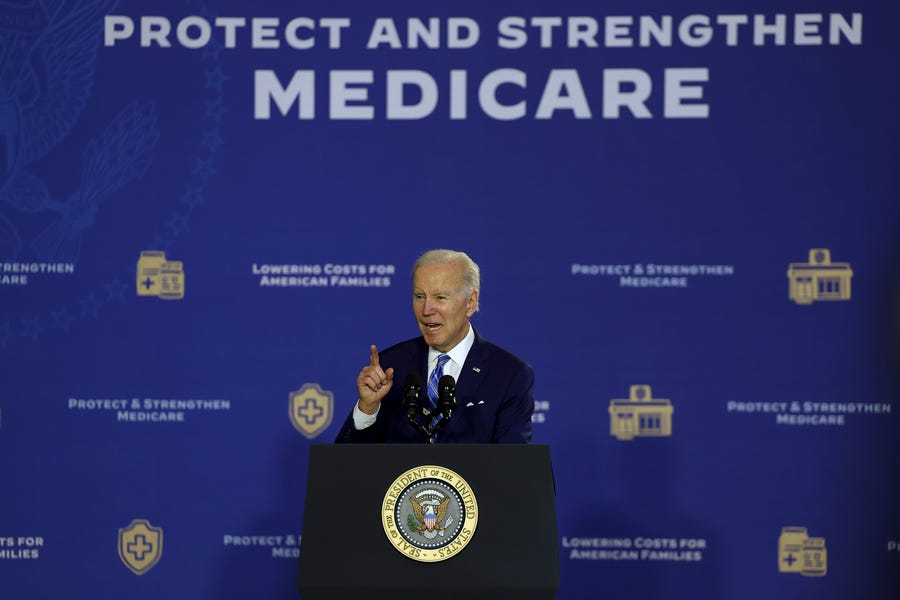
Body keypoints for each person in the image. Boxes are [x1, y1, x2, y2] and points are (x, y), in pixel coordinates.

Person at [334, 249, 534, 443]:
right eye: (420, 297)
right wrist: (367, 409)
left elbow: (514, 468)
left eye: (440, 297)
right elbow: (345, 468)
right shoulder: (390, 367)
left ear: (470, 303)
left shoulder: (509, 374)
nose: (426, 310)